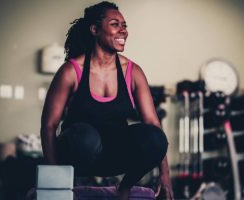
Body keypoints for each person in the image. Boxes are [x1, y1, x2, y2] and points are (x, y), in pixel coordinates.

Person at [40, 1, 174, 200]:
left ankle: (124, 188)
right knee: (86, 137)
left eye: (124, 25)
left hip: (113, 154)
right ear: (94, 29)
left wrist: (165, 176)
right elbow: (49, 125)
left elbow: (153, 123)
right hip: (77, 151)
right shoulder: (71, 71)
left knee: (155, 137)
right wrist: (54, 178)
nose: (123, 31)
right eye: (115, 24)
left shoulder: (133, 72)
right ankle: (73, 180)